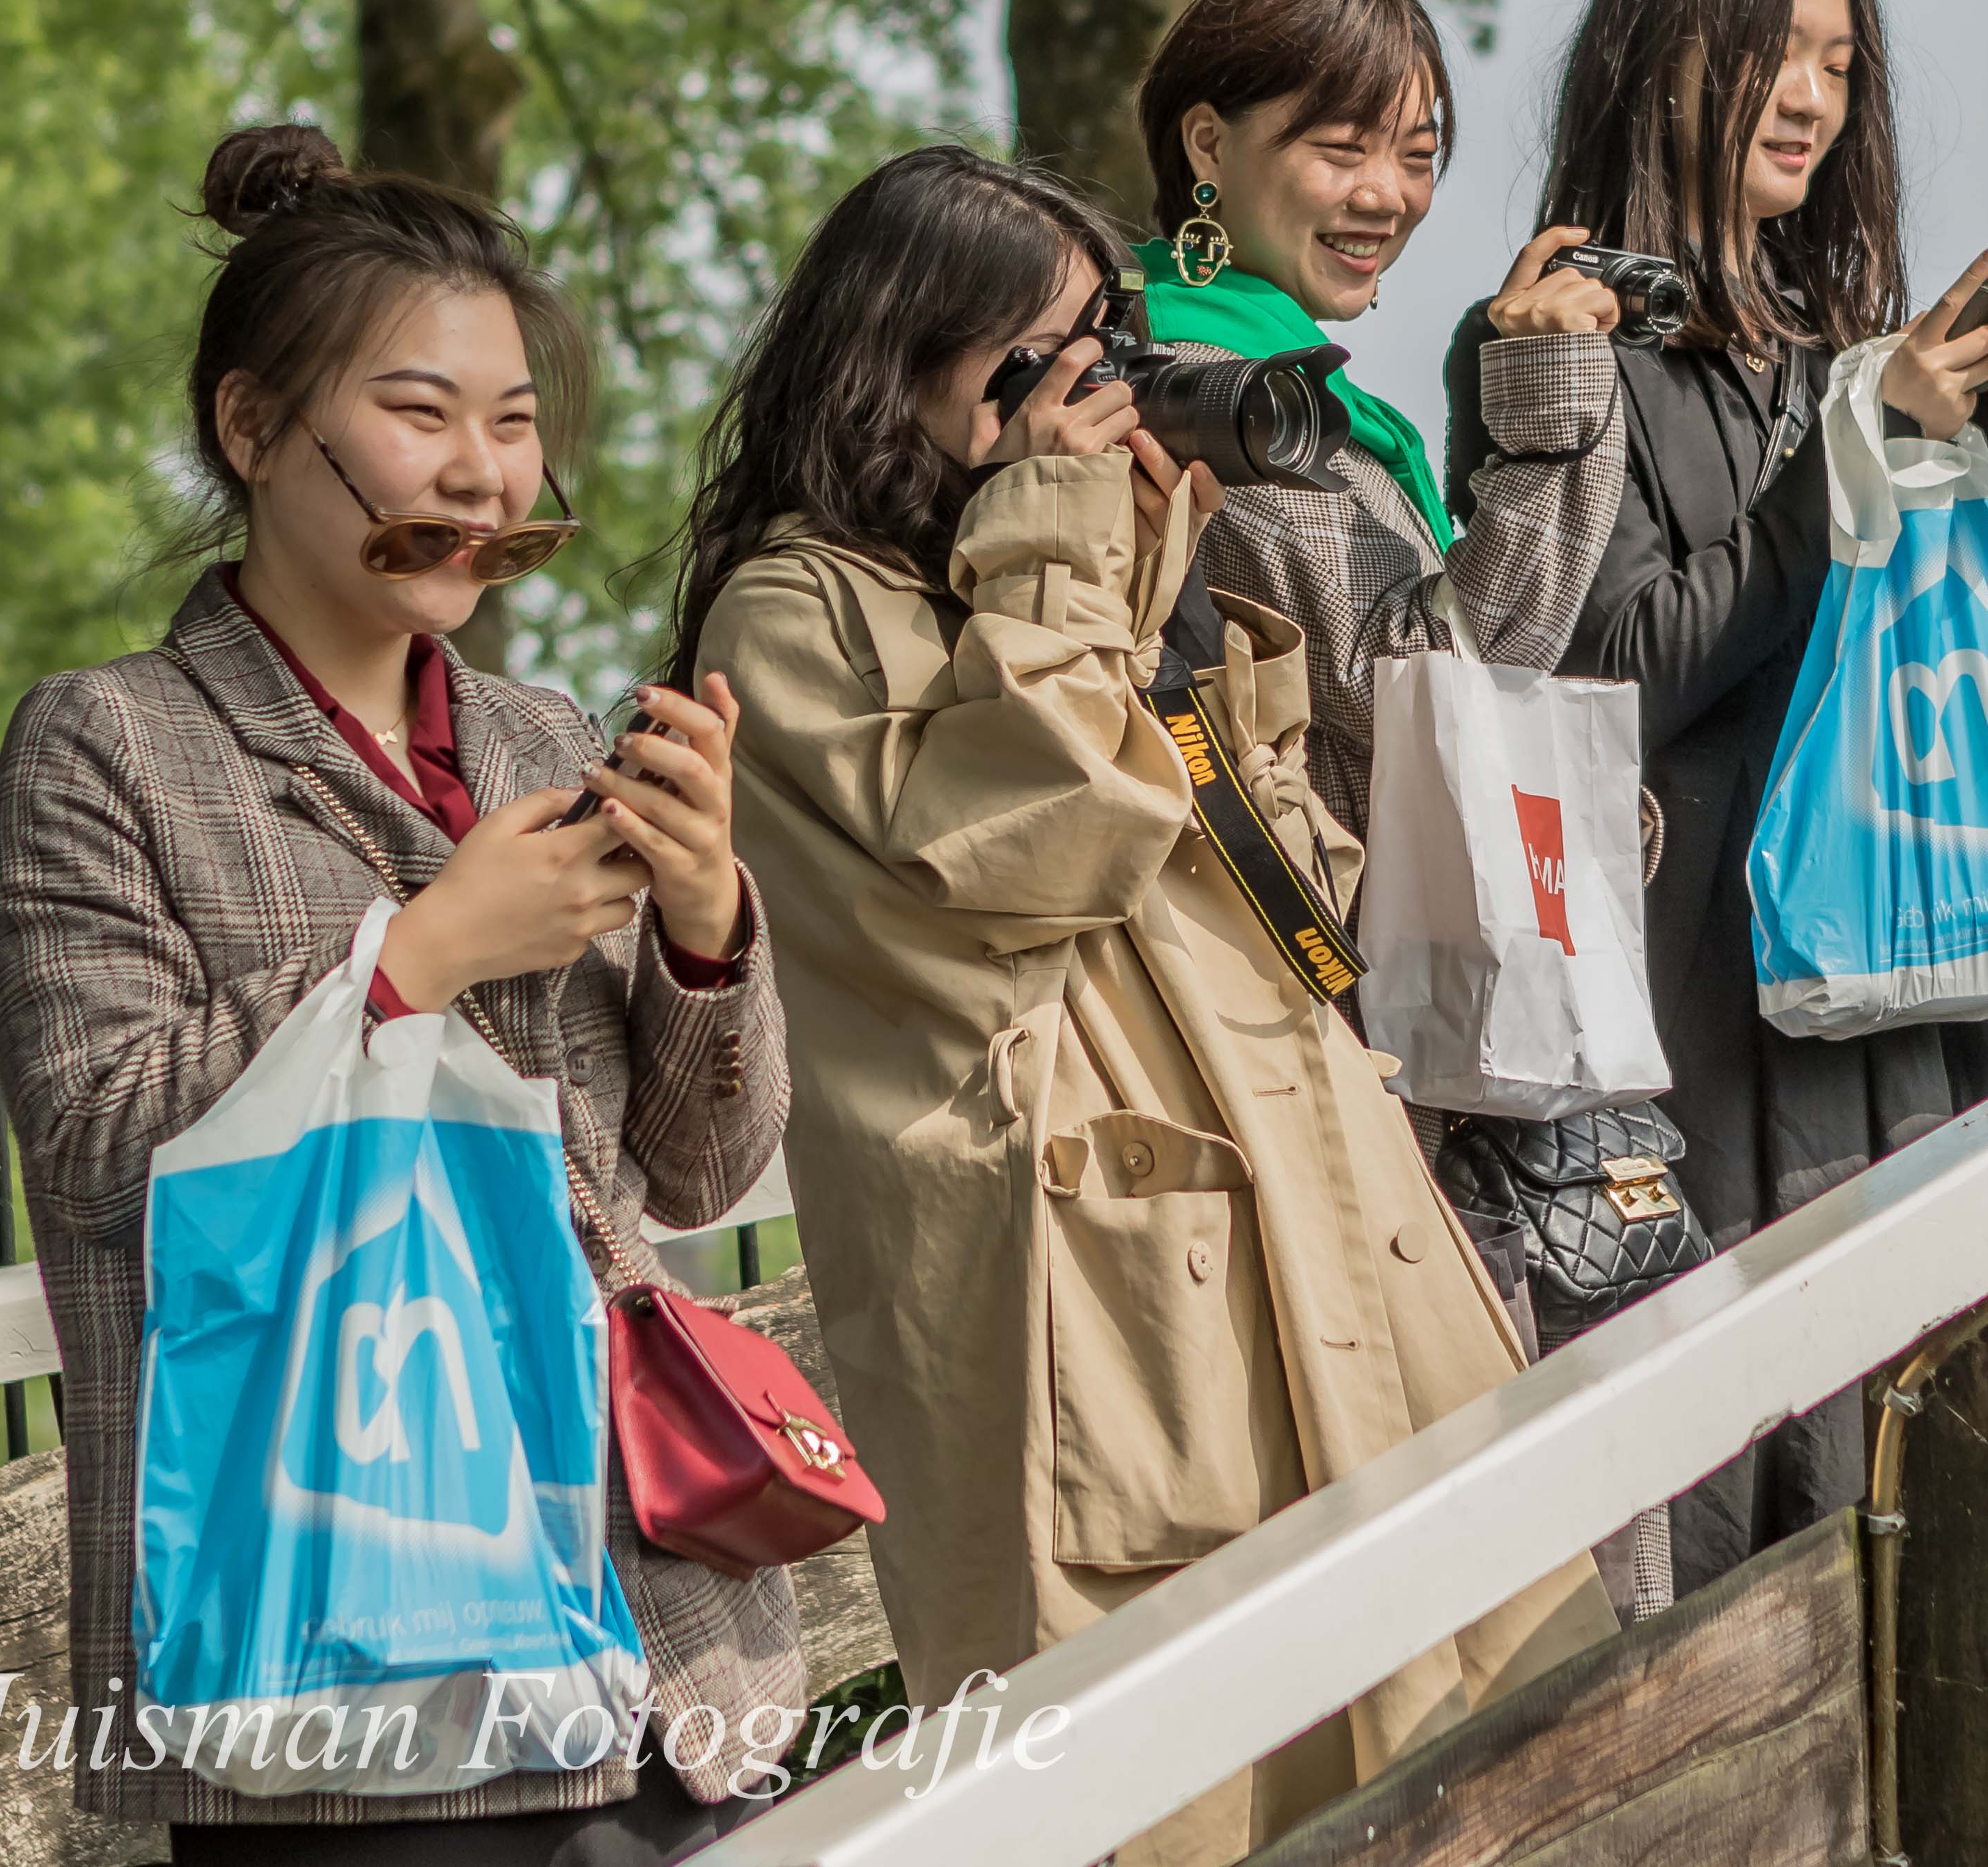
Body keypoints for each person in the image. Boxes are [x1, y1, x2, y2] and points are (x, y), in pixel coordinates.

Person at [674, 144, 1612, 1867]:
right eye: (1043, 355)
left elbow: (1290, 898)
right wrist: (1051, 553)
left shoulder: (1075, 564)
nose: (1092, 393)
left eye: (1103, 343)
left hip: (1329, 1250)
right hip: (1105, 1332)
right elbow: (1019, 863)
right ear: (907, 356)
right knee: (1182, 1797)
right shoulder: (796, 608)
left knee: (1475, 1768)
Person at [0, 127, 801, 1864]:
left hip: (649, 1615)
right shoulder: (105, 743)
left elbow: (692, 1174)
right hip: (337, 1627)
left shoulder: (536, 737)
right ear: (254, 427)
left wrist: (711, 925)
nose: (488, 474)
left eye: (512, 423)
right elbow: (95, 1148)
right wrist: (417, 950)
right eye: (425, 415)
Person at [1443, 0, 1988, 1632]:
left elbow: (1925, 651)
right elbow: (1601, 671)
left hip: (1915, 993)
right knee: (1780, 1548)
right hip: (1718, 1027)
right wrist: (1852, 455)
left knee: (1979, 1526)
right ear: (1657, 57)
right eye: (1772, 52)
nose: (1813, 97)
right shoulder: (1553, 339)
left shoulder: (1837, 344)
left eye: (1837, 59)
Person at [1125, 0, 1627, 839]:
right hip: (1317, 961)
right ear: (1207, 144)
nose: (1386, 195)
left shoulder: (1229, 371)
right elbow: (1428, 682)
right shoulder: (1216, 400)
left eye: (1417, 155)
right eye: (1343, 148)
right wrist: (1550, 398)